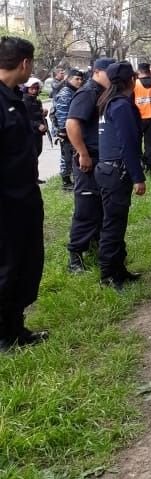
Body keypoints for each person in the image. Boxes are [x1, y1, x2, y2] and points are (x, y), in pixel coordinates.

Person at [0, 36, 49, 351]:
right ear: (25, 63)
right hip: (5, 203)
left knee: (26, 264)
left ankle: (16, 328)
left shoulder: (15, 97)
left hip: (24, 198)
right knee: (6, 267)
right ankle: (3, 337)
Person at [95, 61, 146, 290]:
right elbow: (128, 144)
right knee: (113, 225)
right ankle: (108, 275)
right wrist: (138, 177)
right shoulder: (121, 106)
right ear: (131, 81)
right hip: (117, 171)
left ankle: (118, 270)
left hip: (107, 169)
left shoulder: (107, 102)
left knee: (116, 223)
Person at [65, 57, 115, 273]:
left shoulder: (104, 92)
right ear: (96, 72)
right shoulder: (88, 92)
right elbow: (72, 123)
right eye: (108, 73)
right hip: (88, 159)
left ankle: (95, 244)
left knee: (100, 206)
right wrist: (83, 153)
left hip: (101, 159)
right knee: (86, 208)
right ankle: (75, 257)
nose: (111, 78)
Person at [53, 68, 84, 190]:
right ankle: (66, 181)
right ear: (69, 79)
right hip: (65, 131)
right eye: (77, 79)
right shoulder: (65, 93)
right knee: (66, 156)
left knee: (73, 154)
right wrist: (63, 131)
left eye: (81, 79)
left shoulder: (74, 91)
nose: (79, 81)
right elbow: (62, 115)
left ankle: (72, 177)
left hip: (73, 128)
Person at [22, 77, 48, 179]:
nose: (34, 91)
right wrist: (37, 125)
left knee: (37, 153)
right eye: (32, 88)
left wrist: (43, 113)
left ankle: (34, 177)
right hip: (30, 132)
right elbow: (25, 119)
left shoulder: (37, 101)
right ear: (27, 88)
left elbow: (36, 115)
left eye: (36, 88)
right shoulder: (24, 101)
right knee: (31, 156)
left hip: (38, 133)